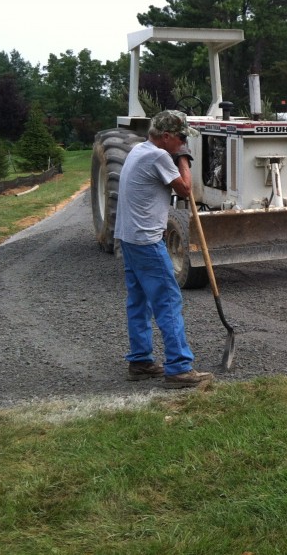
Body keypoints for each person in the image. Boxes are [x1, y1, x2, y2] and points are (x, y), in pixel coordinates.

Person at [115, 110, 214, 388]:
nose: (183, 142)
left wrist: (178, 152)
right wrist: (183, 157)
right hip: (146, 240)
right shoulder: (159, 156)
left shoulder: (138, 150)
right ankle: (179, 368)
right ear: (167, 136)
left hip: (128, 237)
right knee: (168, 300)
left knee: (139, 300)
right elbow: (185, 189)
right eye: (181, 138)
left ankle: (140, 361)